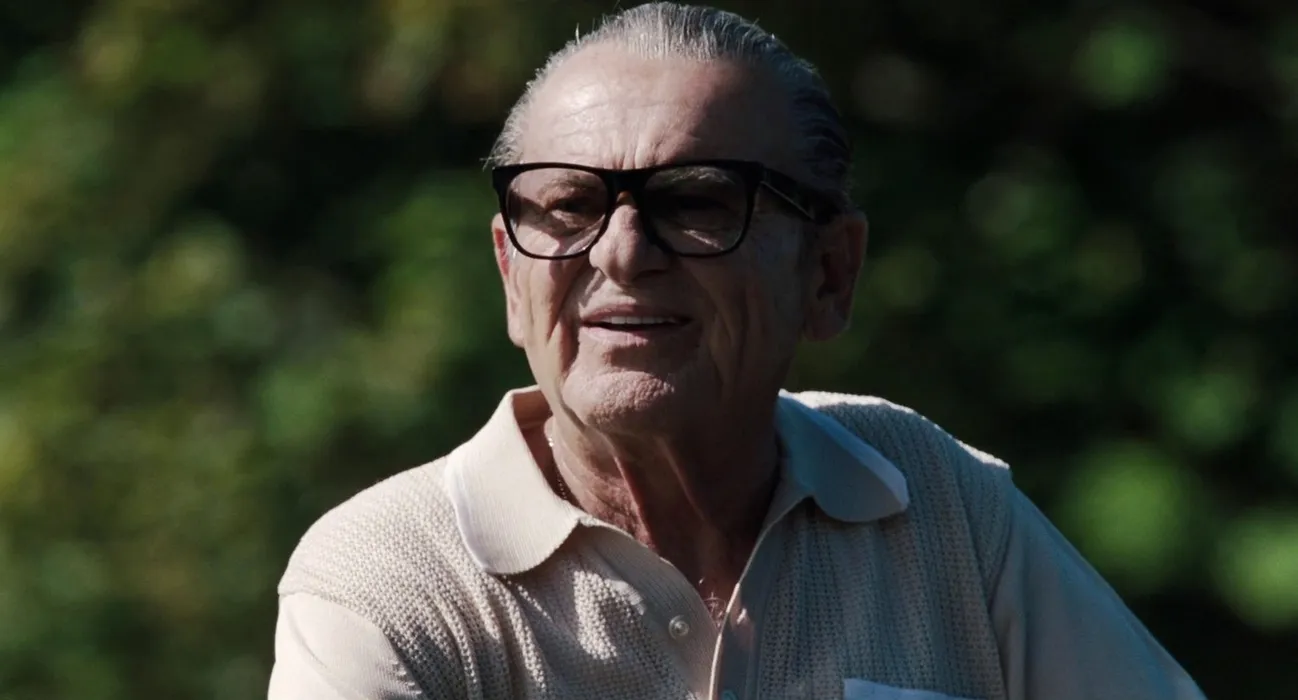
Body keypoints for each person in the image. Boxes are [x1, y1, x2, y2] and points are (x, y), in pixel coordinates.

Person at [268, 3, 1207, 699]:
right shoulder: (391, 583)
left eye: (697, 202)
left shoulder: (933, 501)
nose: (621, 253)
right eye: (569, 205)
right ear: (512, 276)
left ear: (829, 274)